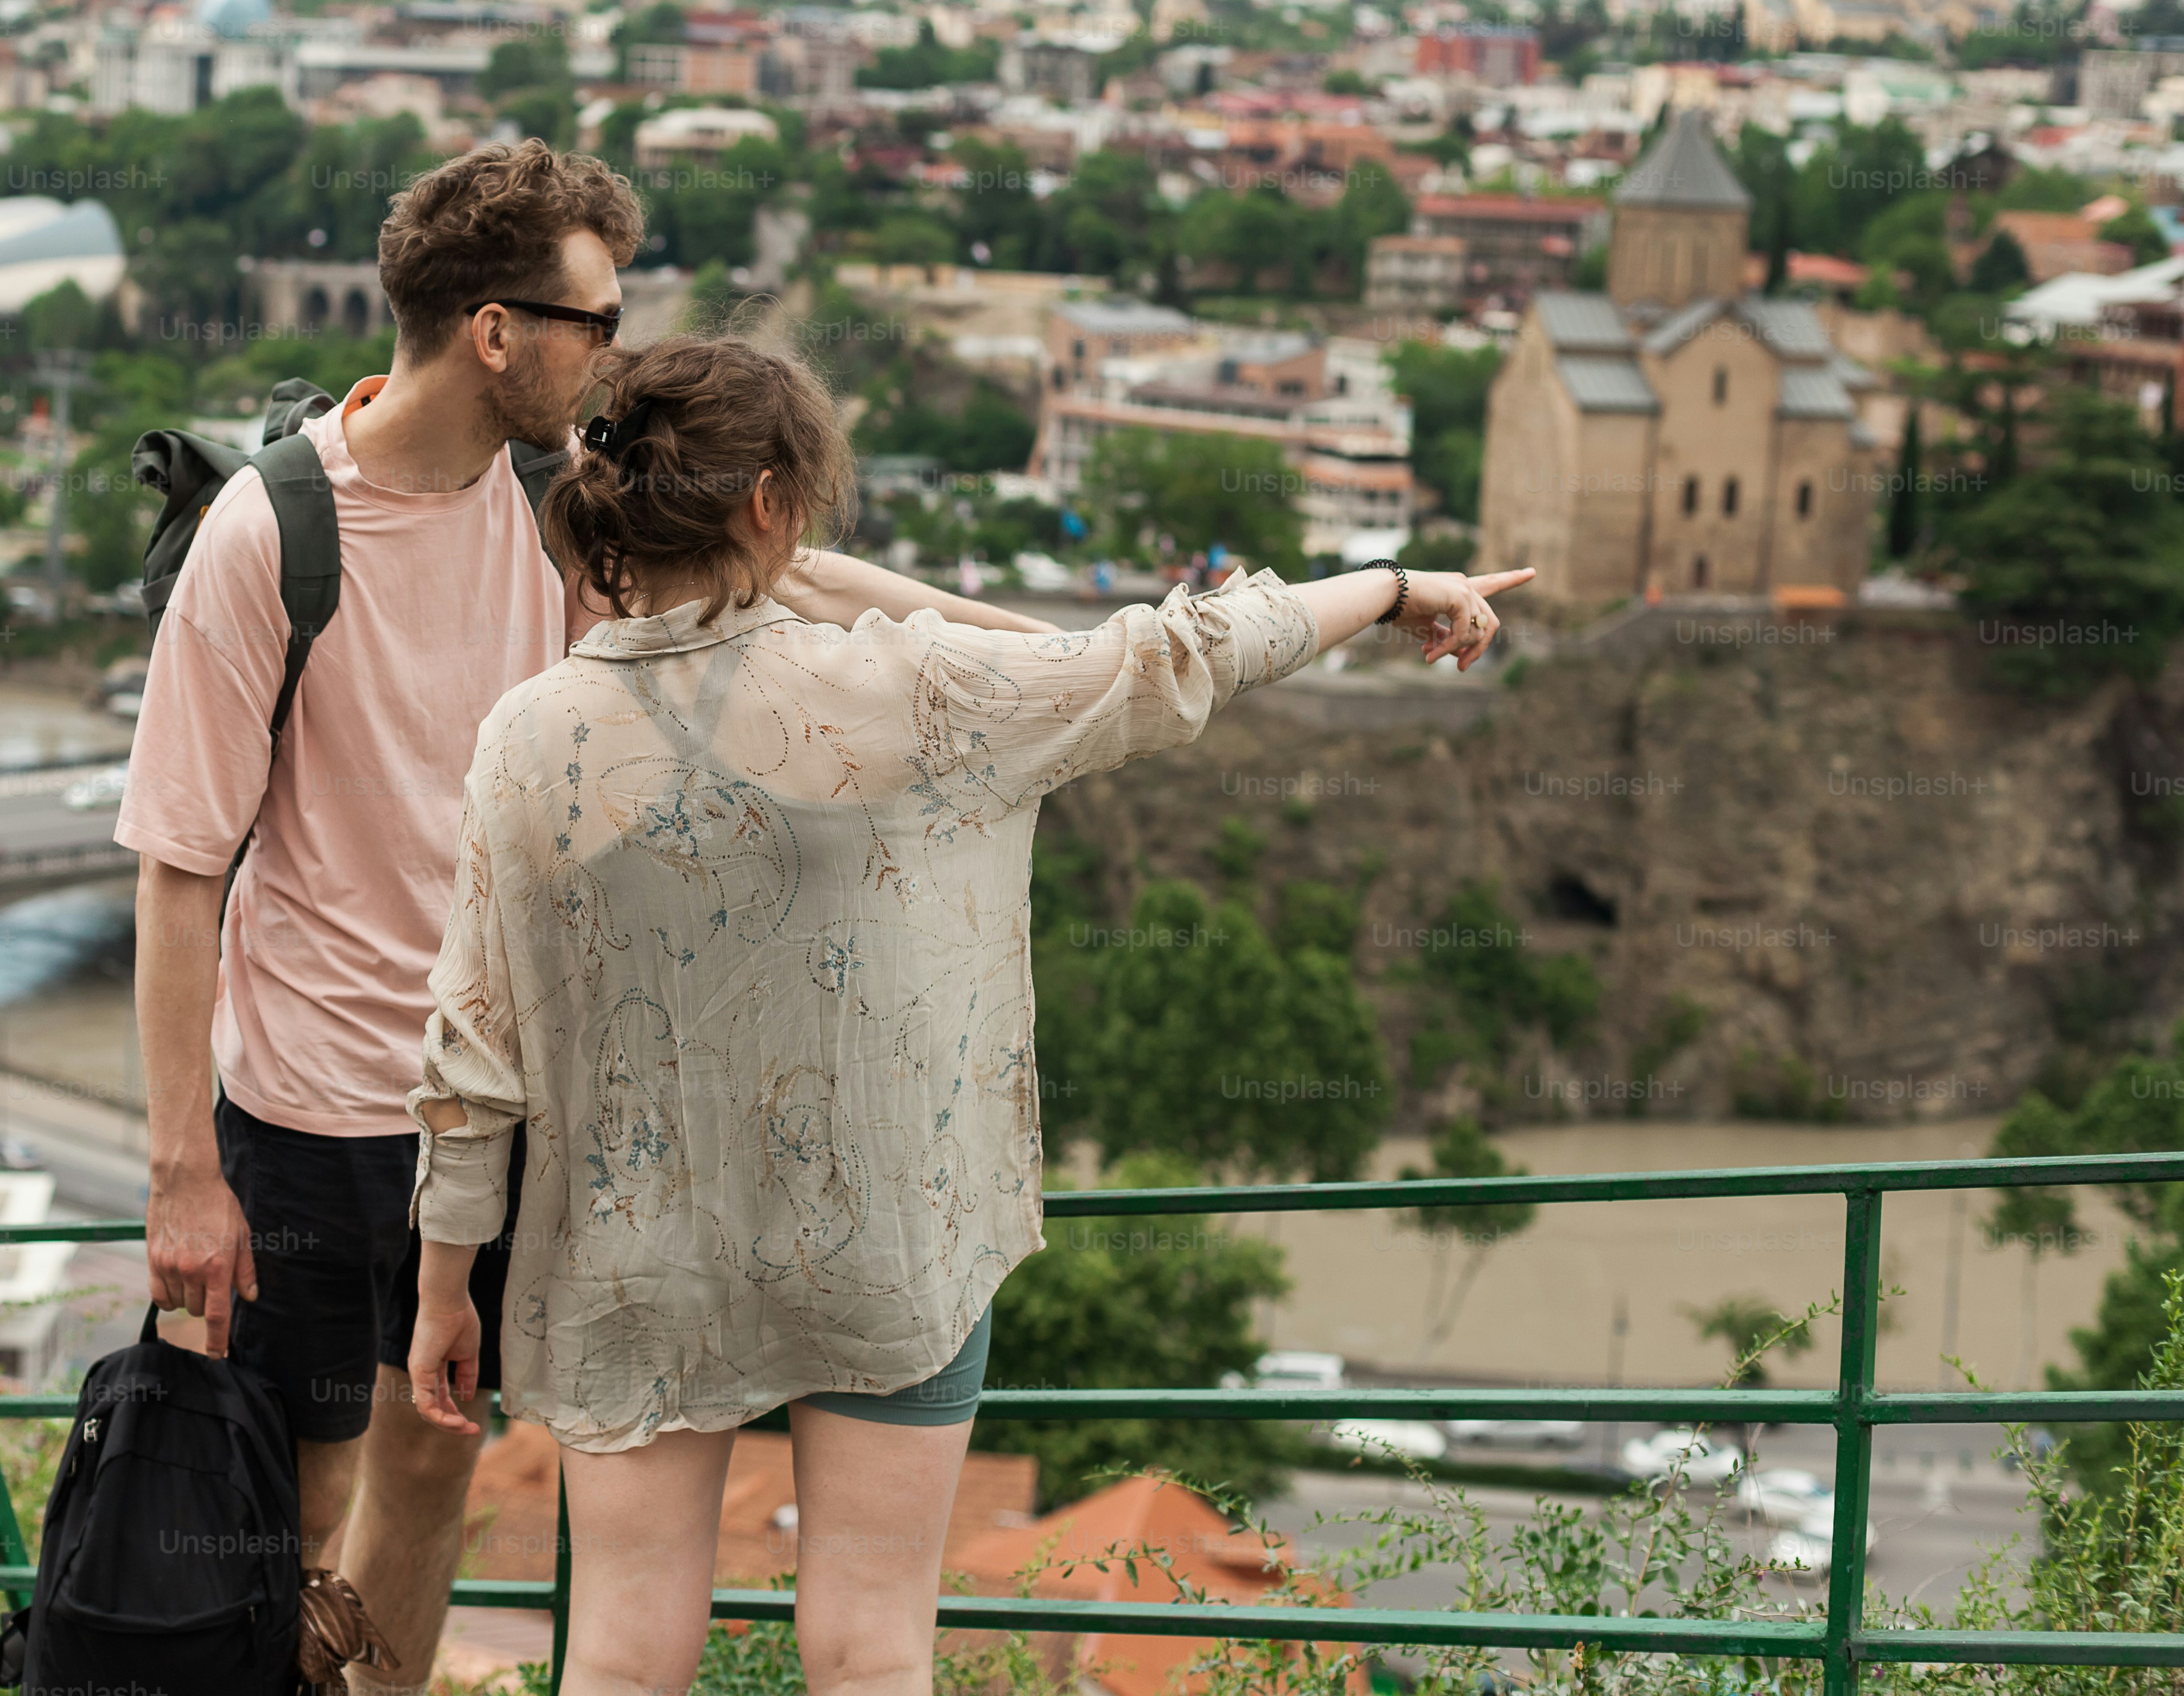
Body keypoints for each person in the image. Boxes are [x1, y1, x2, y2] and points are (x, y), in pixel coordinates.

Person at [403, 331, 1531, 1696]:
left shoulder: (530, 735)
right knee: (874, 1646)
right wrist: (1404, 584)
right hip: (886, 1233)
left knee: (627, 1651)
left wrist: (444, 1290)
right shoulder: (913, 688)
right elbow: (1170, 653)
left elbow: (471, 1061)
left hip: (633, 1257)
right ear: (771, 501)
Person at [118, 144, 1043, 1696]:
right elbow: (177, 867)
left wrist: (1059, 656)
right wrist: (181, 1172)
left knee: (430, 1468)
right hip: (314, 1108)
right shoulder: (269, 536)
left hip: (505, 1098)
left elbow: (793, 581)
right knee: (285, 1502)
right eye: (594, 321)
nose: (613, 354)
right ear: (497, 333)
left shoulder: (557, 501)